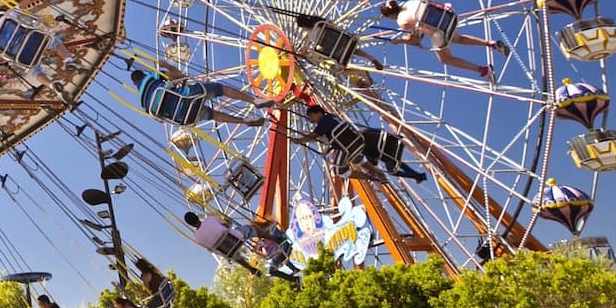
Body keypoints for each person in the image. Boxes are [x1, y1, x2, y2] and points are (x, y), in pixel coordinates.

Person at [376, 0, 509, 81]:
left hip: (437, 32)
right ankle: (491, 44)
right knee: (457, 38)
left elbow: (415, 40)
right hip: (447, 19)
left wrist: (399, 41)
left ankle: (483, 70)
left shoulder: (401, 20)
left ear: (390, 15)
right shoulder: (410, 2)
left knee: (446, 60)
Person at [299, 105, 427, 182]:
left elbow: (313, 136)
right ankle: (417, 175)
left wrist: (298, 140)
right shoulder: (336, 120)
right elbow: (360, 129)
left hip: (363, 149)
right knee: (390, 161)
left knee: (389, 165)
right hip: (371, 148)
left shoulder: (326, 124)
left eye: (310, 116)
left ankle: (416, 175)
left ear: (318, 113)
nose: (310, 120)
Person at [131, 59, 275, 127]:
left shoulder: (143, 103)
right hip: (188, 97)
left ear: (134, 84)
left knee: (212, 115)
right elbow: (180, 75)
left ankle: (244, 121)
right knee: (220, 89)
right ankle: (254, 101)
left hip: (185, 117)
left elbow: (160, 119)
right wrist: (166, 65)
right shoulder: (153, 77)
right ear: (143, 74)